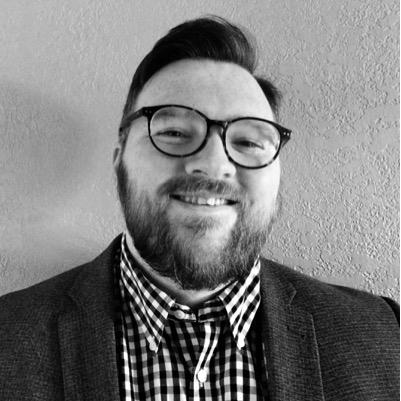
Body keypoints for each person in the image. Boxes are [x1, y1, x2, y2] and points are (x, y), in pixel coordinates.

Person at [0, 16, 398, 401]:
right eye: (174, 132)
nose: (212, 163)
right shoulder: (8, 339)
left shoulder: (386, 337)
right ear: (120, 156)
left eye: (248, 142)